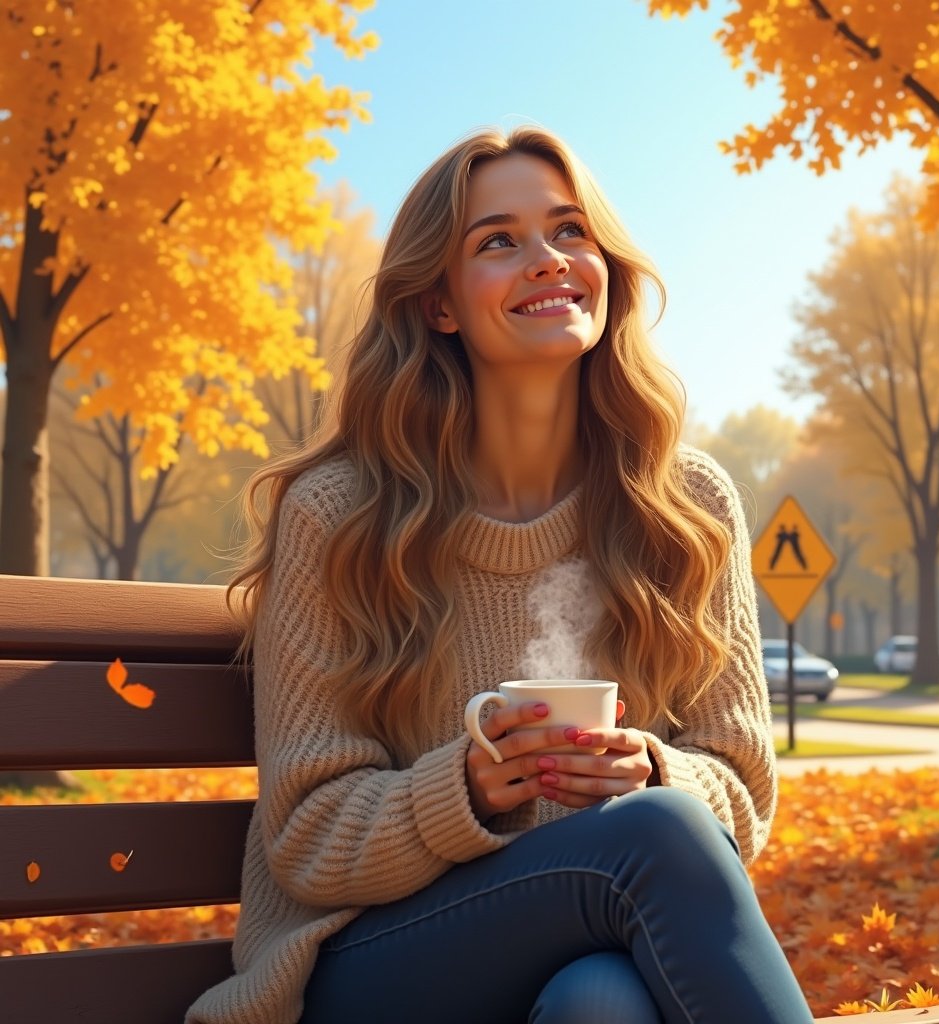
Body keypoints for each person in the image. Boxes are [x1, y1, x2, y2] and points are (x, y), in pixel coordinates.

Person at [187, 125, 813, 1024]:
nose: (548, 260)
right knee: (661, 838)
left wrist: (654, 773)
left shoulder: (685, 507)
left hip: (598, 940)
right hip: (369, 964)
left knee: (602, 1003)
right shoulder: (342, 515)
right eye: (498, 242)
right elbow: (305, 836)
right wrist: (467, 790)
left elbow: (740, 782)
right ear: (440, 303)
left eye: (570, 231)